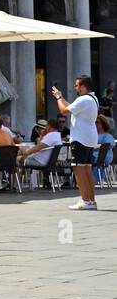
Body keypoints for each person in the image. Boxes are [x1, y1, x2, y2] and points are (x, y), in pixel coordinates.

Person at [54, 76, 99, 210]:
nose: (75, 88)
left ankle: (85, 201)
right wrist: (61, 97)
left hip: (80, 138)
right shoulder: (92, 99)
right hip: (90, 138)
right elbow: (71, 107)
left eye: (76, 85)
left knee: (78, 169)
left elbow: (64, 111)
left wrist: (57, 98)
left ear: (83, 86)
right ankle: (91, 200)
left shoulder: (83, 99)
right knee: (87, 170)